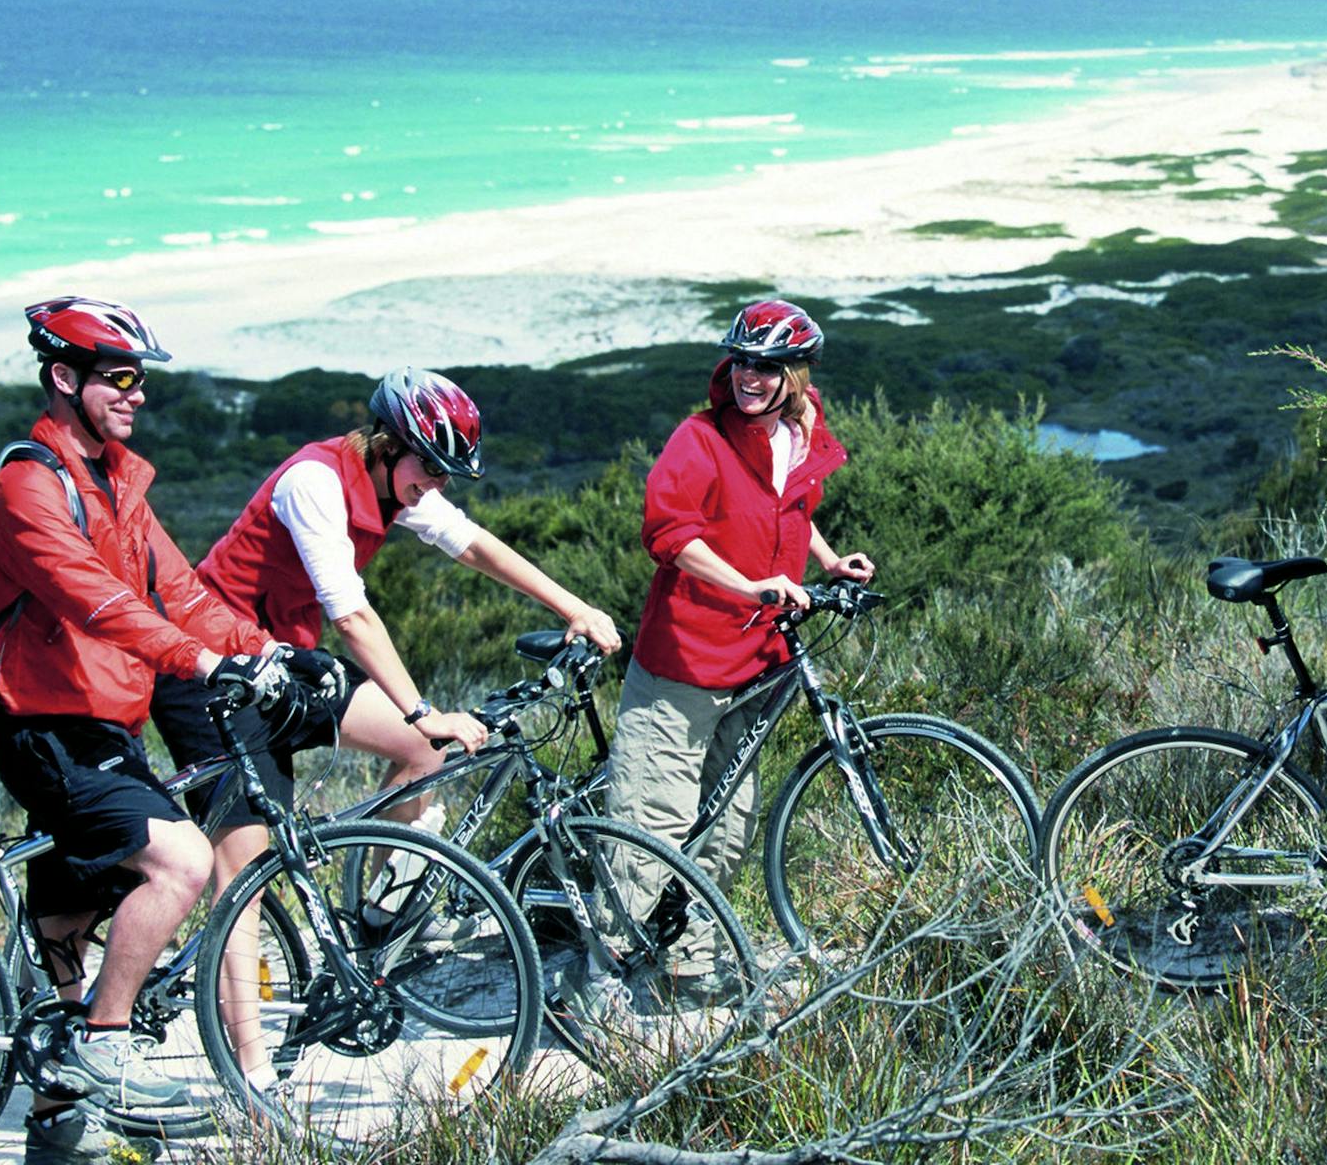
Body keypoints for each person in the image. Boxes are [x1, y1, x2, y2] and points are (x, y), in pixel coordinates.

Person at [147, 366, 621, 1072]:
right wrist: (423, 708)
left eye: (445, 474)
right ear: (387, 444)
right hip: (214, 676)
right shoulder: (313, 482)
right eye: (429, 468)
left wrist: (573, 607)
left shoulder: (397, 485)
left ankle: (378, 914)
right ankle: (249, 1075)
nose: (437, 485)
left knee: (424, 755)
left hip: (287, 667)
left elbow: (475, 545)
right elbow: (351, 613)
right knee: (241, 879)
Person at [0, 297, 300, 1162]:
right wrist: (198, 666)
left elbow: (183, 594)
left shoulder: (120, 480)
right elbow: (99, 601)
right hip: (43, 728)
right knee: (182, 859)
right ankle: (104, 1044)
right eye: (119, 377)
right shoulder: (29, 485)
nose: (136, 395)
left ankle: (57, 1105)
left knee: (88, 908)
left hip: (104, 725)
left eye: (140, 379)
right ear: (64, 379)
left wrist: (270, 651)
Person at [592, 299, 873, 1006]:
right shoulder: (701, 438)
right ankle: (601, 974)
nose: (750, 376)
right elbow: (670, 534)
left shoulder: (799, 433)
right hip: (684, 661)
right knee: (649, 823)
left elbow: (789, 509)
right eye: (743, 360)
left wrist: (830, 563)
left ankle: (690, 965)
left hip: (758, 664)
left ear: (796, 373)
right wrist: (750, 584)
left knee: (724, 825)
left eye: (768, 365)